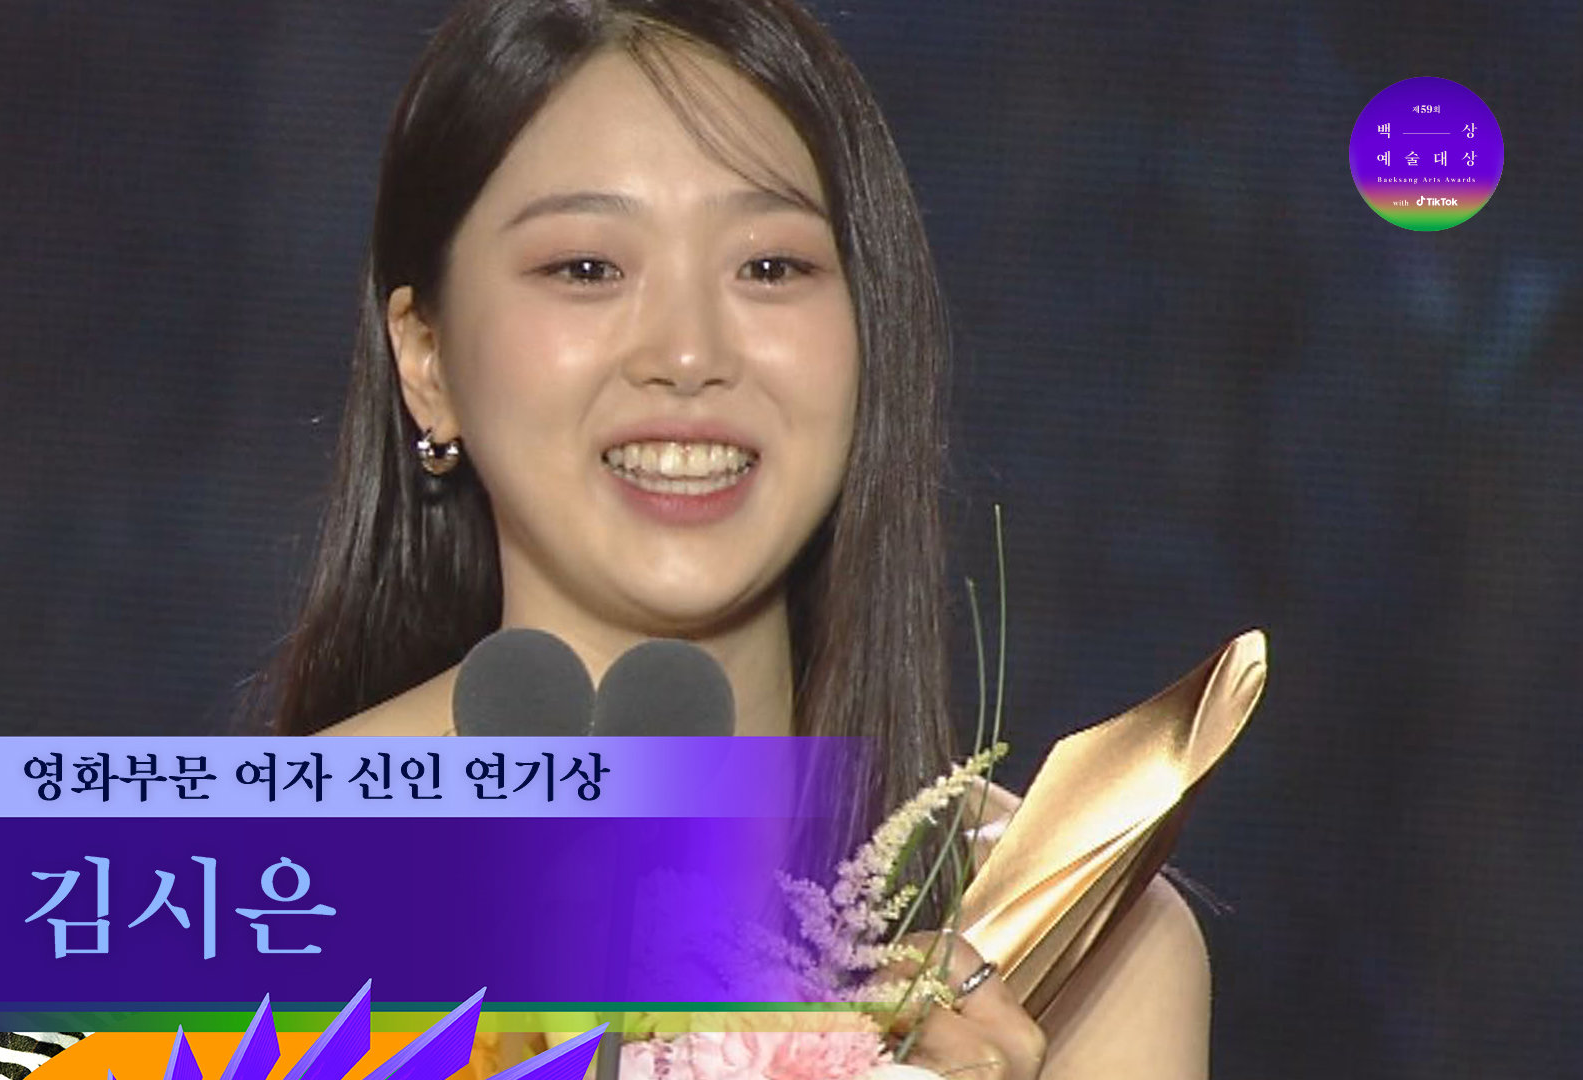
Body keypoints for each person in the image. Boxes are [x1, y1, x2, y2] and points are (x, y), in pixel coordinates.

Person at [262, 1, 1209, 1075]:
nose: (687, 354)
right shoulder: (252, 890)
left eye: (769, 268)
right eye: (586, 268)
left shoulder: (1062, 934)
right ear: (426, 359)